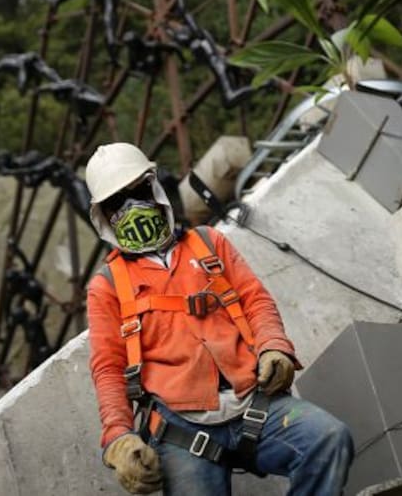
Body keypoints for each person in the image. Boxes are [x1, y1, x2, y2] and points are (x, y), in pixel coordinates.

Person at [84, 143, 353, 495]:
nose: (131, 206)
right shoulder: (107, 286)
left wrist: (274, 348)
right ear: (103, 215)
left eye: (137, 191)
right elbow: (108, 368)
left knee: (328, 439)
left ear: (156, 190)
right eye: (117, 202)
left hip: (252, 402)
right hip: (180, 427)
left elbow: (256, 300)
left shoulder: (208, 243)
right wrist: (119, 438)